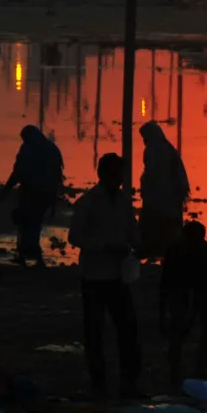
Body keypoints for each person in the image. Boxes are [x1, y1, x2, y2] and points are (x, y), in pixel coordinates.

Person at [69, 153, 141, 398]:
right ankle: (98, 381)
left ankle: (128, 380)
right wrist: (104, 247)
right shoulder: (88, 202)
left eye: (121, 174)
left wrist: (139, 246)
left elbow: (132, 230)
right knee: (94, 332)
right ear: (103, 174)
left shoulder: (123, 201)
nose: (119, 179)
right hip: (94, 276)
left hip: (119, 277)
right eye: (115, 174)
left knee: (128, 329)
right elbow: (75, 237)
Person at [160, 221, 207, 391]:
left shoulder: (205, 251)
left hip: (202, 289)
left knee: (206, 330)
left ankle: (201, 369)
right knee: (178, 330)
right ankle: (175, 373)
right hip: (178, 287)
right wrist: (162, 312)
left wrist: (193, 313)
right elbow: (165, 281)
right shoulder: (174, 250)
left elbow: (204, 283)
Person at [0, 125, 64, 265]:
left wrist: (6, 189)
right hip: (44, 193)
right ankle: (30, 255)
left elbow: (18, 172)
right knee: (34, 224)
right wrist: (53, 199)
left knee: (26, 224)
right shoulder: (52, 149)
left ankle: (27, 254)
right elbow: (57, 177)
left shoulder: (28, 149)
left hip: (30, 192)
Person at [138, 122, 190, 260]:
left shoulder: (153, 150)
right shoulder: (168, 148)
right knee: (168, 226)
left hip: (160, 196)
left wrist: (146, 184)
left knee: (156, 224)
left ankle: (154, 252)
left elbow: (152, 172)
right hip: (169, 196)